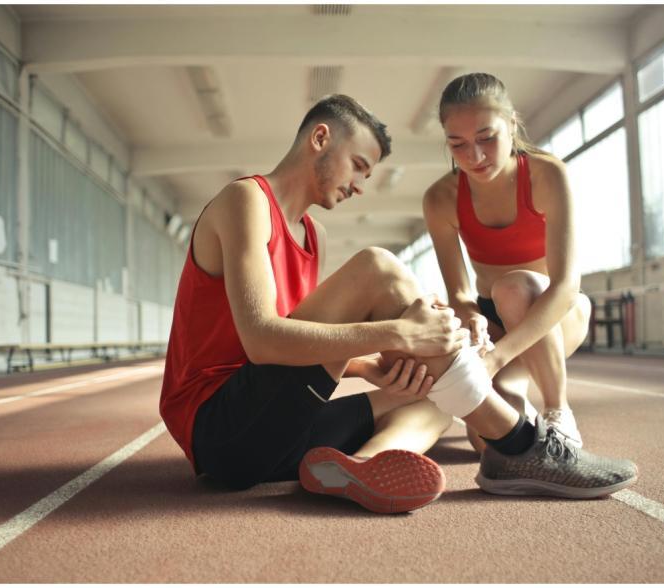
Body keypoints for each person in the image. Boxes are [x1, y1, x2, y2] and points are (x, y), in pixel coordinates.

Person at [160, 94, 637, 516]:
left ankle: (363, 466)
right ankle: (520, 443)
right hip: (220, 431)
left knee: (434, 391)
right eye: (359, 166)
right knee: (377, 267)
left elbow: (296, 350)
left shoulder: (314, 235)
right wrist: (397, 335)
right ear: (320, 138)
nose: (360, 186)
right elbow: (263, 342)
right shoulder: (246, 200)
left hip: (272, 437)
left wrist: (371, 366)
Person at [423, 72, 591, 451]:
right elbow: (461, 292)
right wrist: (470, 316)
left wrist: (496, 358)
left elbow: (566, 287)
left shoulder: (548, 175)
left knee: (515, 287)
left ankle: (557, 410)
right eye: (458, 144)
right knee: (487, 443)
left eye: (486, 138)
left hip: (556, 312)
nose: (475, 156)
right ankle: (517, 391)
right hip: (494, 321)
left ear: (512, 124)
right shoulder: (441, 199)